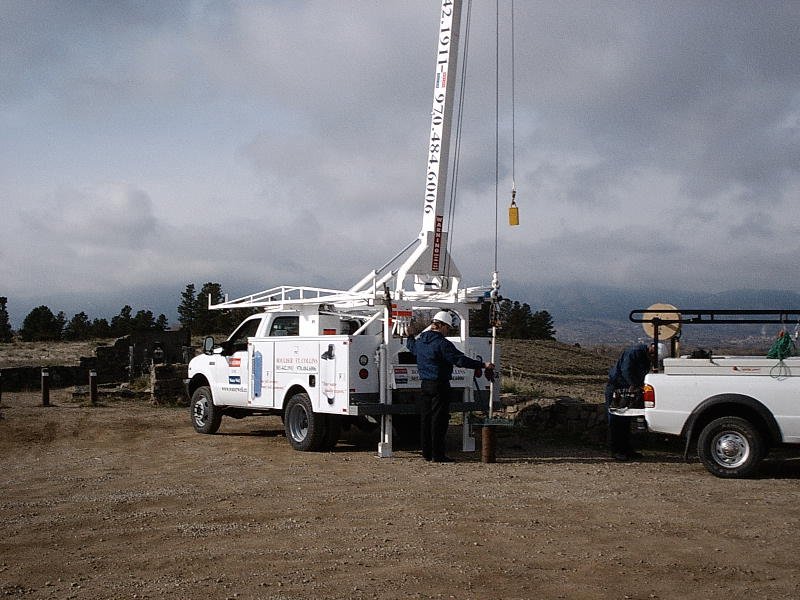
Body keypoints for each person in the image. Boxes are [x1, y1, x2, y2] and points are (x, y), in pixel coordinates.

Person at [406, 311, 495, 463]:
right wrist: (481, 365)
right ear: (441, 326)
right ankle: (438, 455)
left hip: (425, 385)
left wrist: (409, 335)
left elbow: (411, 346)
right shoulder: (443, 344)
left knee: (426, 419)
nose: (448, 331)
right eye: (448, 327)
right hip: (440, 385)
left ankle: (427, 453)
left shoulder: (421, 342)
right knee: (439, 421)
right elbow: (459, 360)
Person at [604, 343, 655, 461]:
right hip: (617, 388)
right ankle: (616, 450)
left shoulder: (641, 354)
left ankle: (626, 449)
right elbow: (626, 370)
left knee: (625, 421)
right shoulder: (634, 352)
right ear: (651, 352)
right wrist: (635, 384)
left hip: (625, 388)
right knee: (616, 420)